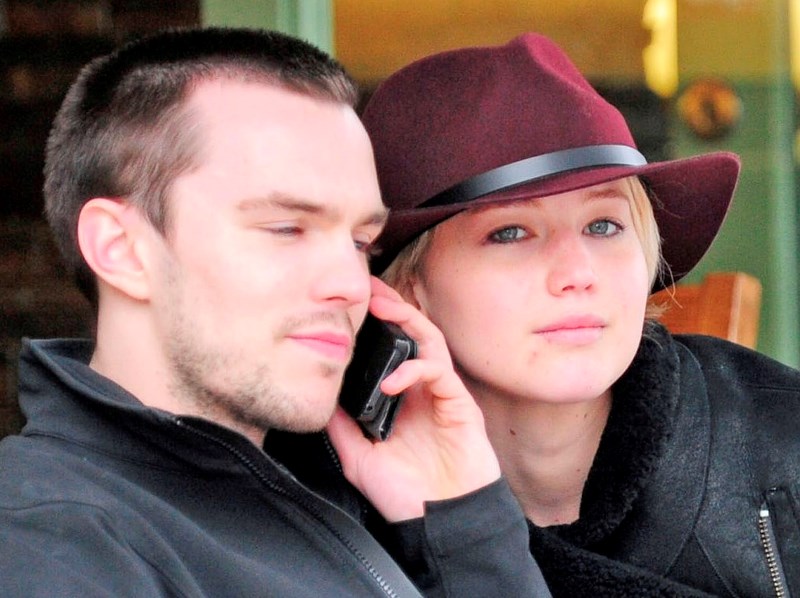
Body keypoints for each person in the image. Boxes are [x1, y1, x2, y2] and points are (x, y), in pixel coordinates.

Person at [0, 27, 551, 597]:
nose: (351, 285)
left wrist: (459, 524)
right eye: (287, 228)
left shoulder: (339, 494)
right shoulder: (46, 549)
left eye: (361, 243)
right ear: (121, 249)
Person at [361, 32, 800, 597]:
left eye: (604, 225)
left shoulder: (785, 442)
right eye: (510, 232)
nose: (578, 271)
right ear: (407, 287)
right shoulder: (324, 494)